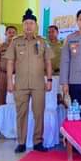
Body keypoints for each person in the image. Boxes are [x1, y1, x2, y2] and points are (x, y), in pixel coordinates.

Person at [5, 9, 52, 153]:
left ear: (36, 25)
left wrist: (49, 79)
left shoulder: (42, 42)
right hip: (20, 83)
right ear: (22, 25)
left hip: (38, 83)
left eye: (31, 23)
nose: (29, 26)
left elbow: (48, 62)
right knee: (21, 113)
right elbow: (10, 63)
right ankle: (21, 142)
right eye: (26, 23)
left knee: (39, 113)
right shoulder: (16, 42)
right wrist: (9, 81)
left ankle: (38, 141)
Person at [0, 25, 18, 105]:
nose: (11, 34)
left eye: (14, 33)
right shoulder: (0, 47)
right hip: (3, 75)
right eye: (9, 32)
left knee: (15, 99)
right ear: (5, 33)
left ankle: (13, 117)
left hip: (16, 76)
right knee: (1, 99)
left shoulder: (19, 47)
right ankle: (1, 117)